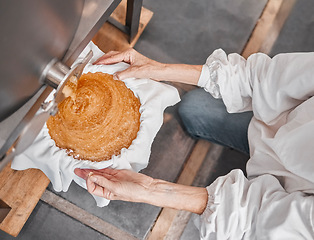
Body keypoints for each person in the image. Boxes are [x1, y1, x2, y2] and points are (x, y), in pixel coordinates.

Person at [75, 48, 314, 239]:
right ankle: (255, 151)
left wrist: (151, 190)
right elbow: (265, 78)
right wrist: (159, 69)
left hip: (287, 198)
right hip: (276, 126)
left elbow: (256, 220)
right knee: (193, 110)